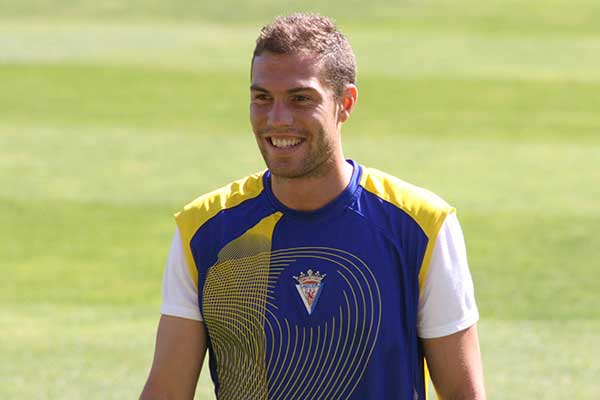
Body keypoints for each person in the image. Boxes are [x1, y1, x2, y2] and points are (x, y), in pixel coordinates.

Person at [140, 13, 485, 400]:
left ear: (345, 103)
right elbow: (167, 391)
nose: (278, 119)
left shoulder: (420, 225)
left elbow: (462, 392)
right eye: (262, 98)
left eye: (301, 99)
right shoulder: (204, 230)